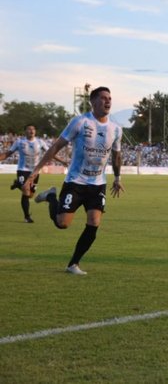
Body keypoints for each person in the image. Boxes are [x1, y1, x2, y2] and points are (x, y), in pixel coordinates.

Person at [23, 87, 125, 275]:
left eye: (110, 98)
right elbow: (55, 147)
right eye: (103, 98)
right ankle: (51, 196)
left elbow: (116, 156)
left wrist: (117, 178)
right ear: (93, 102)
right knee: (62, 223)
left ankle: (73, 264)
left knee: (94, 222)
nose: (108, 101)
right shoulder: (80, 122)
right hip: (76, 182)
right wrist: (34, 172)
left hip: (97, 184)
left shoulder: (116, 129)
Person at [0, 124, 67, 223]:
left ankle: (18, 184)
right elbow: (8, 153)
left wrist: (61, 161)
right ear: (25, 131)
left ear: (35, 131)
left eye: (33, 129)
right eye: (29, 129)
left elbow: (50, 152)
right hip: (22, 170)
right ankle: (27, 217)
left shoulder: (40, 142)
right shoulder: (19, 142)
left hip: (35, 171)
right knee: (26, 191)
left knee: (30, 195)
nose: (31, 131)